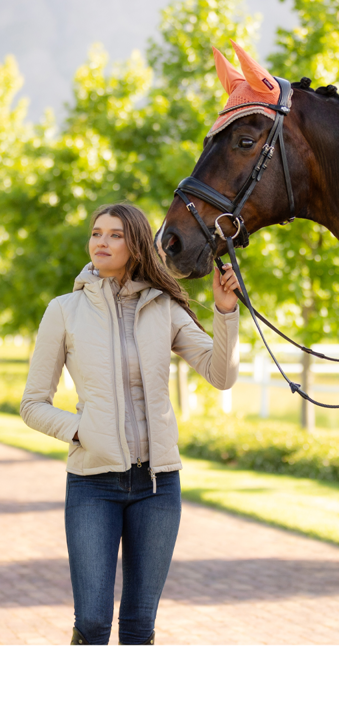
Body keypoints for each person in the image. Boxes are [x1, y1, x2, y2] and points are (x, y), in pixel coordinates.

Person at [20, 202, 241, 645]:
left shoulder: (165, 309)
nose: (101, 242)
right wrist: (80, 430)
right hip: (92, 485)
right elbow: (32, 404)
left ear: (136, 243)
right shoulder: (63, 310)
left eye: (114, 235)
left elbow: (222, 375)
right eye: (96, 233)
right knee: (94, 623)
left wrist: (225, 311)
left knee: (139, 627)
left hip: (157, 487)